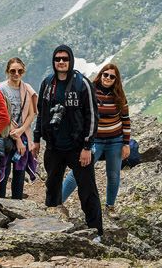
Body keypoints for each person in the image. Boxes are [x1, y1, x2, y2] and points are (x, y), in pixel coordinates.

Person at [32, 45, 103, 239]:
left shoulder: (82, 84)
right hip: (54, 146)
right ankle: (51, 227)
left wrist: (88, 146)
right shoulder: (47, 83)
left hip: (78, 147)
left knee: (87, 190)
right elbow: (42, 113)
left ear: (70, 60)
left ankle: (96, 231)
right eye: (57, 59)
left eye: (64, 58)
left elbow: (92, 116)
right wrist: (37, 139)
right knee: (52, 187)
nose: (61, 62)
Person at [61, 63, 131, 216]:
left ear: (116, 80)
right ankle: (57, 201)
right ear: (101, 75)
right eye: (106, 74)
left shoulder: (119, 96)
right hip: (94, 141)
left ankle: (110, 207)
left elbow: (125, 120)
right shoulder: (89, 90)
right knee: (78, 171)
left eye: (112, 76)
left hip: (115, 141)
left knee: (113, 175)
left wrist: (126, 143)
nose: (108, 78)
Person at [0, 58, 38, 199]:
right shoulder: (0, 89)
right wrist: (18, 137)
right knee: (3, 169)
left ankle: (17, 202)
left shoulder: (26, 89)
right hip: (5, 134)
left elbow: (32, 113)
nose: (16, 74)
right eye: (13, 71)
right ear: (7, 71)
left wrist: (21, 130)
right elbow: (2, 115)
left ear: (23, 72)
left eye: (19, 71)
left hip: (22, 132)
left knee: (19, 171)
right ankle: (0, 202)